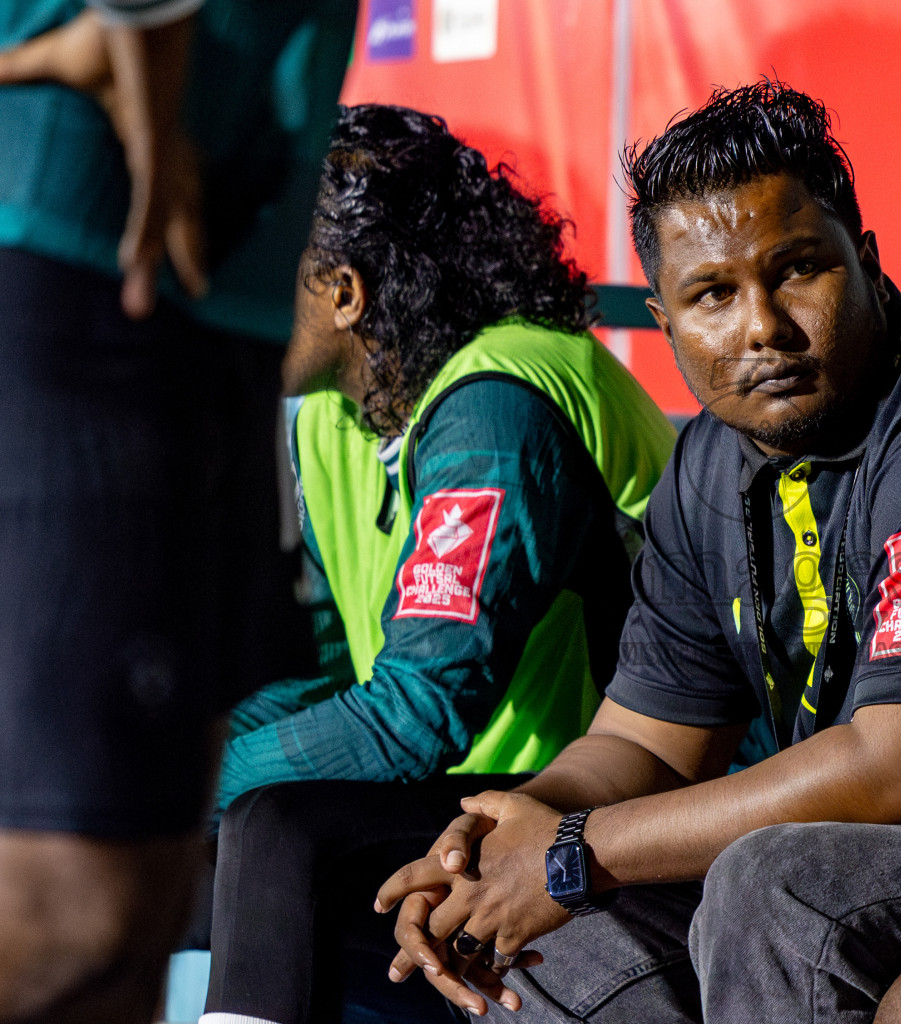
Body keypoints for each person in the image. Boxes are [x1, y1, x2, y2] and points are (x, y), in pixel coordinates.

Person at [371, 79, 901, 1024]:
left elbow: (899, 773)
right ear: (667, 318)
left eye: (799, 268)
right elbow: (645, 741)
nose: (762, 325)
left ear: (869, 260)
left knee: (778, 888)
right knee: (552, 930)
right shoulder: (710, 462)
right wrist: (497, 840)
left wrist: (573, 851)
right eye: (713, 295)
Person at [199, 102, 676, 1024]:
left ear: (344, 292)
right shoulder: (335, 413)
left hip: (605, 789)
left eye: (258, 269)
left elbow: (418, 715)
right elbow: (334, 668)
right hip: (467, 789)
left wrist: (178, 780)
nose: (231, 295)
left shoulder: (498, 402)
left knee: (272, 826)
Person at [0, 1, 337, 1020]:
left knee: (141, 911)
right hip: (100, 257)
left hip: (207, 295)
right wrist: (142, 57)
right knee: (73, 913)